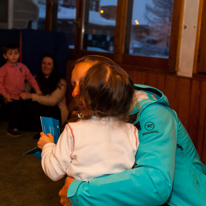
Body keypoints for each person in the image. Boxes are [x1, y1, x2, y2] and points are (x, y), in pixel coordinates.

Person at [58, 55, 206, 206]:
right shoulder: (100, 114)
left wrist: (80, 192)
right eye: (73, 84)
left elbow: (155, 183)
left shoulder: (153, 112)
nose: (75, 92)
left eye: (84, 82)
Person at [37, 62, 139, 184]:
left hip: (84, 199)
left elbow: (54, 172)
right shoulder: (132, 131)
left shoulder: (73, 130)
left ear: (87, 96)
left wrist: (48, 146)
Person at [0, 43, 42, 137]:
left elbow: (30, 78)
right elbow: (0, 84)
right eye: (10, 54)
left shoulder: (22, 67)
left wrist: (37, 90)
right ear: (5, 56)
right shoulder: (4, 69)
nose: (14, 56)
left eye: (16, 53)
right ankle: (11, 129)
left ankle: (22, 126)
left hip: (21, 95)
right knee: (15, 111)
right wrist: (5, 95)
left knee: (25, 110)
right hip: (10, 96)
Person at [19, 54, 68, 133]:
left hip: (54, 111)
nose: (45, 66)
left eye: (49, 64)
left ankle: (46, 128)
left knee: (39, 106)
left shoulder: (61, 82)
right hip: (38, 110)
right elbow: (25, 91)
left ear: (53, 67)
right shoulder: (35, 78)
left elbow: (52, 101)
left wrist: (32, 96)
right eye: (43, 63)